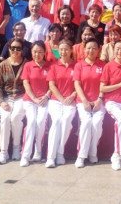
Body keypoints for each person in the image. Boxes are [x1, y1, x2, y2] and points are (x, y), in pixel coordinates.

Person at [100, 40, 121, 170]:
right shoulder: (108, 66)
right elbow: (102, 88)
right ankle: (116, 155)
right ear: (113, 50)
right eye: (117, 48)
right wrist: (120, 85)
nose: (120, 51)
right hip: (112, 101)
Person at [73, 38, 106, 168]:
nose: (91, 50)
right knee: (86, 123)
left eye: (94, 48)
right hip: (83, 101)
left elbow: (105, 84)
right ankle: (81, 156)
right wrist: (84, 101)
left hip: (99, 100)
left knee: (96, 123)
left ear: (98, 50)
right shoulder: (79, 65)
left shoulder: (103, 65)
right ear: (84, 49)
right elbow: (77, 84)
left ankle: (93, 152)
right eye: (88, 48)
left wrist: (99, 99)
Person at [0, 38, 27, 164]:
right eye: (13, 48)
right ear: (9, 49)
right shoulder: (3, 65)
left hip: (21, 97)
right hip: (6, 98)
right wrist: (1, 101)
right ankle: (3, 151)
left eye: (18, 48)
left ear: (22, 50)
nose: (15, 50)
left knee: (15, 118)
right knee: (5, 119)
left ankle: (16, 147)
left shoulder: (26, 64)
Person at [46, 39, 78, 167]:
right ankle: (50, 157)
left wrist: (72, 95)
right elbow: (51, 85)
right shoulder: (54, 66)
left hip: (71, 100)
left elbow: (79, 84)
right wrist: (61, 99)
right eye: (61, 50)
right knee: (57, 121)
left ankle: (60, 153)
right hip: (56, 100)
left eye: (66, 49)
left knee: (66, 121)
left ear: (71, 51)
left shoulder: (76, 66)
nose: (63, 52)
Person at [20, 41, 51, 166]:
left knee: (41, 121)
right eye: (34, 52)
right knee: (31, 122)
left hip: (45, 99)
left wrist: (46, 96)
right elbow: (26, 83)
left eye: (40, 52)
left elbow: (52, 84)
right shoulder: (28, 65)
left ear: (44, 53)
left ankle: (38, 152)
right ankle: (25, 155)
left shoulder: (50, 66)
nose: (37, 54)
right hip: (30, 100)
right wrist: (34, 98)